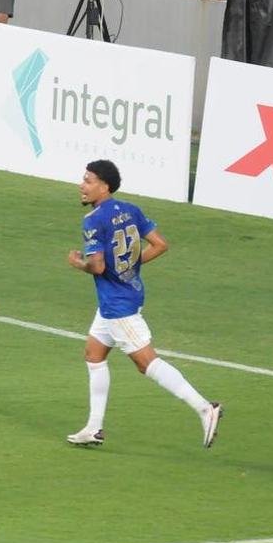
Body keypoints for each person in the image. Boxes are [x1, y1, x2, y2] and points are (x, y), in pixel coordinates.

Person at [65, 160, 223, 448]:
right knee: (93, 354)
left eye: (88, 181)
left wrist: (78, 263)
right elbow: (160, 244)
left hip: (118, 307)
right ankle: (94, 427)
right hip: (125, 295)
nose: (82, 185)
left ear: (104, 186)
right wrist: (129, 269)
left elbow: (98, 267)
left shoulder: (93, 221)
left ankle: (204, 408)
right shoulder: (130, 209)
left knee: (146, 363)